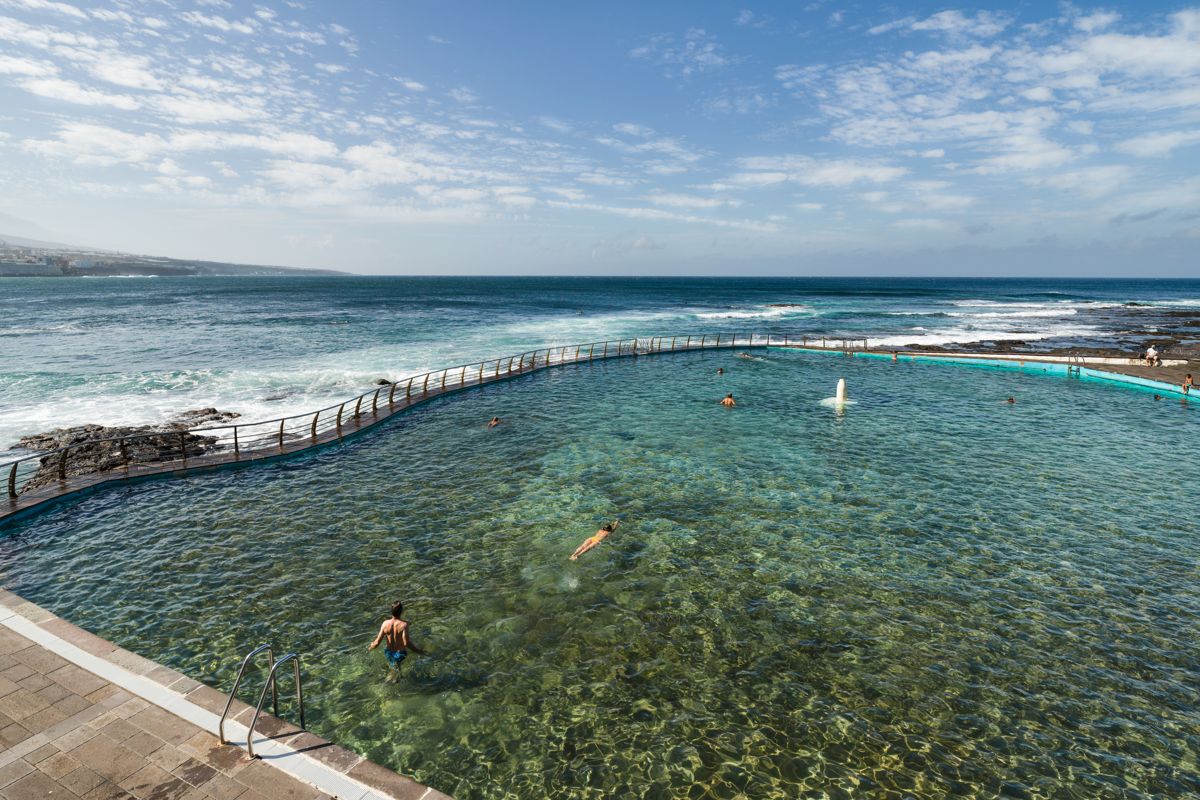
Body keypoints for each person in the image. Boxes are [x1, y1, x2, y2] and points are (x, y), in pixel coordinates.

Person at [368, 601, 425, 679]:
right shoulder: (404, 625)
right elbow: (406, 643)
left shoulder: (385, 623)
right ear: (401, 612)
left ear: (391, 611)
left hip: (388, 653)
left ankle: (390, 672)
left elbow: (377, 642)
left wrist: (370, 648)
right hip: (400, 654)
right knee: (397, 674)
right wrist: (419, 651)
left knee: (393, 665)